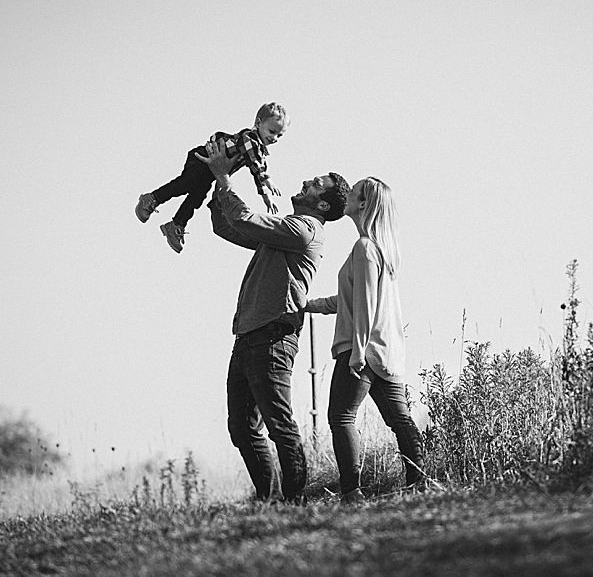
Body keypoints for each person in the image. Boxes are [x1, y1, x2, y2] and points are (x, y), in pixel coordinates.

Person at [197, 138, 350, 505]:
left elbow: (245, 218)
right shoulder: (285, 232)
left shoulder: (304, 230)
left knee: (280, 425)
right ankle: (269, 499)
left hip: (273, 336)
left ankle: (295, 502)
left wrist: (225, 180)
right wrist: (218, 187)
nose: (306, 182)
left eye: (316, 184)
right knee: (242, 427)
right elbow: (232, 228)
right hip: (250, 334)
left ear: (323, 204)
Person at [305, 177, 425, 503]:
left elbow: (366, 306)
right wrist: (307, 305)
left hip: (362, 349)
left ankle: (351, 493)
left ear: (362, 204)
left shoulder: (364, 248)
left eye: (354, 192)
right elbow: (351, 300)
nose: (347, 195)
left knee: (341, 417)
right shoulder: (378, 250)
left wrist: (357, 352)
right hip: (385, 349)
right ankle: (419, 483)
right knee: (399, 419)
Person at [135, 102, 288, 253]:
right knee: (185, 184)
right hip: (202, 158)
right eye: (272, 131)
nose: (274, 138)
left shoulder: (258, 149)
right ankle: (152, 198)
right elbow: (256, 166)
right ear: (259, 123)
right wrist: (266, 184)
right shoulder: (249, 139)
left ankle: (177, 224)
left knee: (198, 196)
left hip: (211, 171)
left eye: (279, 135)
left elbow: (258, 165)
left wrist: (265, 195)